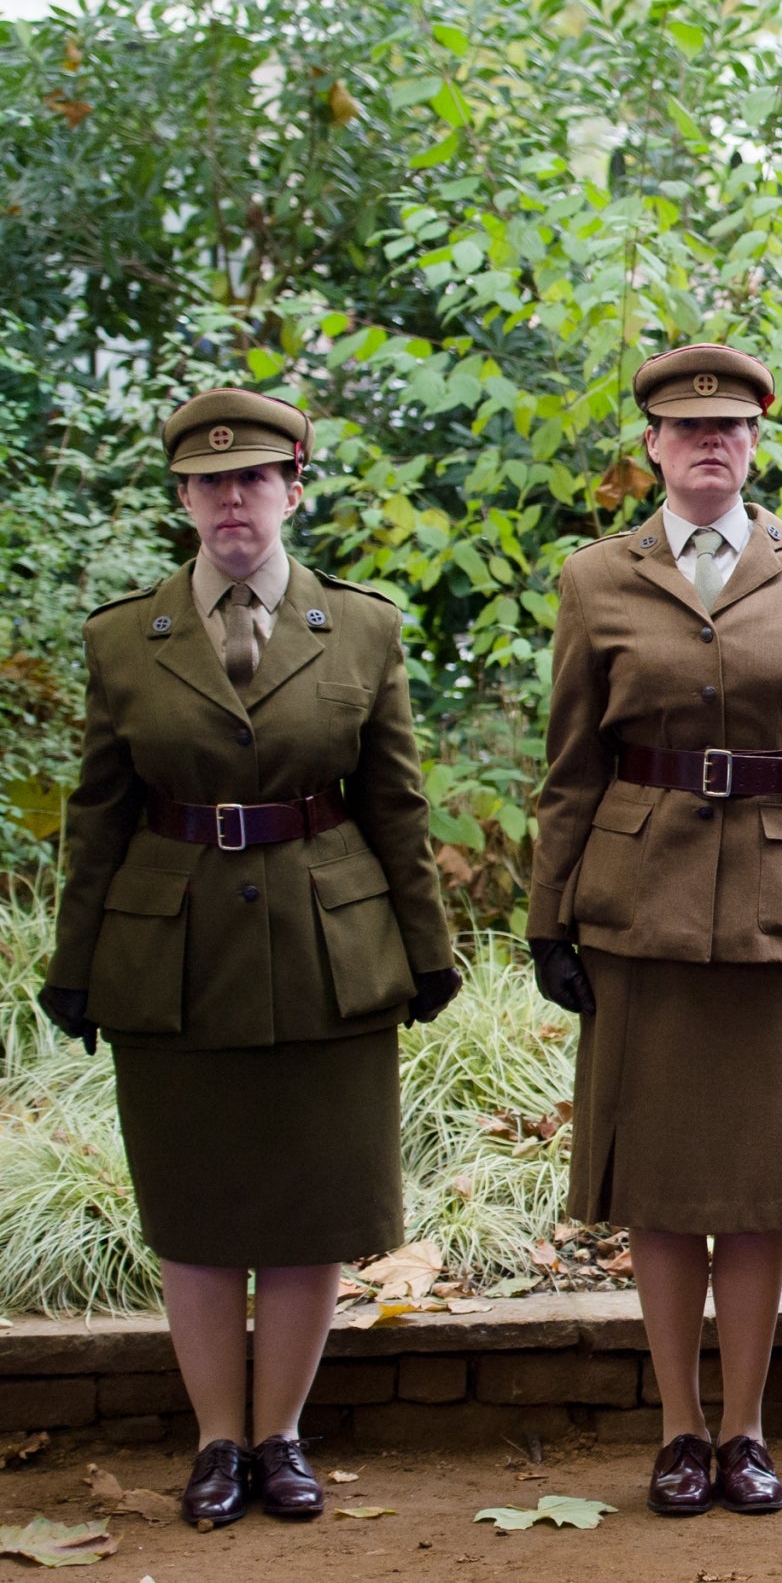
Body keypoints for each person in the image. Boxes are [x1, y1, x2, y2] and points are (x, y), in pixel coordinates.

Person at [40, 389, 462, 1527]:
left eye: (255, 479)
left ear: (292, 489)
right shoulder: (126, 637)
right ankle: (215, 1441)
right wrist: (73, 962)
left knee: (314, 1205)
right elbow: (100, 812)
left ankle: (281, 1435)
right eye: (210, 482)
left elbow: (396, 803)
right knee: (197, 1206)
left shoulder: (361, 627)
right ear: (182, 497)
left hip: (330, 947)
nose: (234, 500)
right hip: (172, 954)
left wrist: (427, 952)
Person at [528, 344, 782, 1518]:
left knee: (759, 1183)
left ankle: (745, 1428)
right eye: (687, 429)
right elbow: (571, 763)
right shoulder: (598, 577)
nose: (709, 444)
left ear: (755, 441)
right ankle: (678, 1427)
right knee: (664, 1186)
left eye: (730, 426)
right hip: (645, 908)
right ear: (650, 446)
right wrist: (551, 917)